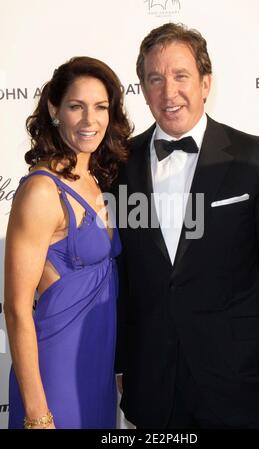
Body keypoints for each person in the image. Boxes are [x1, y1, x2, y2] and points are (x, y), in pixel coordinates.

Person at [115, 23, 259, 429]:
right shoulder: (119, 166)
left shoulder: (256, 158)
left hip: (243, 387)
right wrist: (123, 364)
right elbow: (124, 277)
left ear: (205, 82)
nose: (169, 92)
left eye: (181, 76)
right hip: (154, 390)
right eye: (155, 79)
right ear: (142, 89)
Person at [4, 56, 132, 429]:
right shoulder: (42, 191)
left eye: (100, 107)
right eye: (76, 107)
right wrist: (38, 414)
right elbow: (16, 308)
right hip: (55, 373)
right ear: (54, 109)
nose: (90, 120)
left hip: (95, 367)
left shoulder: (95, 178)